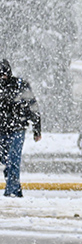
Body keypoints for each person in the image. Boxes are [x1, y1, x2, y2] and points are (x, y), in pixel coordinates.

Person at [0, 59, 41, 197]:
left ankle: (11, 191)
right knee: (7, 161)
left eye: (4, 74)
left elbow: (33, 107)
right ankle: (14, 189)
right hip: (4, 129)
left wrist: (37, 129)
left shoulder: (20, 85)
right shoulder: (19, 86)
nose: (2, 78)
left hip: (17, 129)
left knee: (13, 159)